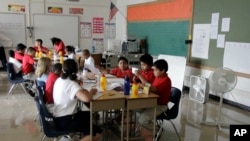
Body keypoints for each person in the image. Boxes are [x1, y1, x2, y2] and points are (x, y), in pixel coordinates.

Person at [53, 59, 102, 141]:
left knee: (88, 115)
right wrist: (91, 92)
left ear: (63, 69)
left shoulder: (59, 80)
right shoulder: (72, 84)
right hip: (66, 120)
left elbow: (74, 91)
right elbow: (86, 98)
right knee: (98, 133)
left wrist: (81, 89)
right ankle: (86, 133)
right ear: (76, 70)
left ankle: (75, 134)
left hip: (58, 116)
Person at [137, 59, 172, 130]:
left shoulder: (166, 80)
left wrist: (142, 84)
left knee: (142, 120)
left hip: (160, 106)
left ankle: (158, 130)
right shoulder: (157, 78)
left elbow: (153, 89)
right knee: (134, 107)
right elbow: (150, 87)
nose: (154, 72)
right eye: (153, 70)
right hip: (153, 102)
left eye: (156, 70)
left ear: (163, 70)